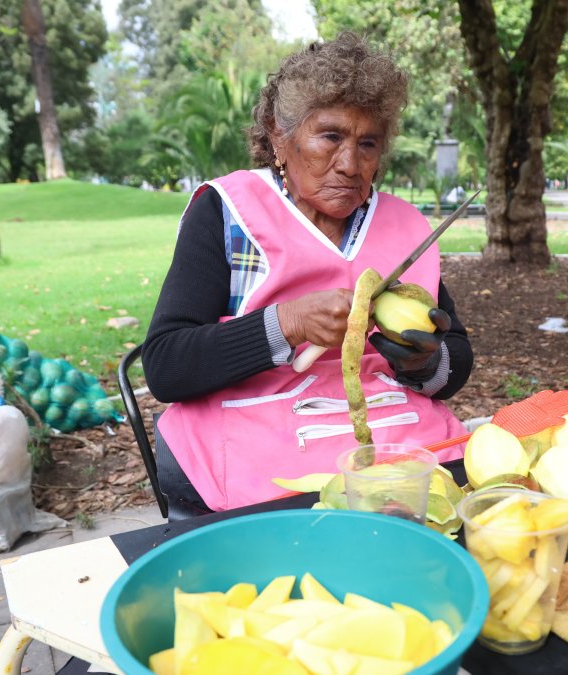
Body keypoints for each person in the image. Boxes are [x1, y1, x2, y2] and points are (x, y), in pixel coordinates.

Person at [143, 34, 473, 512]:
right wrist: (286, 324)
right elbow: (165, 367)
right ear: (280, 135)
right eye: (331, 137)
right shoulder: (228, 211)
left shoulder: (405, 226)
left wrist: (423, 363)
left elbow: (455, 360)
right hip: (258, 448)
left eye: (368, 144)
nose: (350, 165)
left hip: (396, 442)